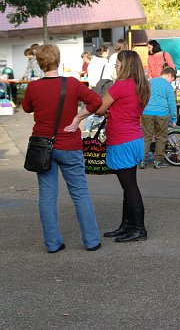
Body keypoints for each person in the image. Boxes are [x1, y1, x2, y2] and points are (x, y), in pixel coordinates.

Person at [22, 44, 102, 253]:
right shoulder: (72, 83)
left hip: (43, 147)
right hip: (69, 145)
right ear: (58, 60)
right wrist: (78, 118)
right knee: (80, 193)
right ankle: (91, 241)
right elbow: (96, 101)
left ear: (40, 63)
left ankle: (52, 243)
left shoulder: (33, 87)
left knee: (47, 196)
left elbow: (26, 108)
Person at [67, 50, 151, 243]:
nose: (116, 67)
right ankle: (127, 225)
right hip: (134, 138)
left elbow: (98, 107)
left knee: (130, 187)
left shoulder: (120, 86)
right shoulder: (142, 85)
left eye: (118, 64)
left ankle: (139, 229)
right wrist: (112, 112)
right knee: (128, 185)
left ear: (125, 65)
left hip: (122, 140)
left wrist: (83, 116)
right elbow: (126, 109)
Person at [140, 66, 177, 169]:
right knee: (161, 137)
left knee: (146, 137)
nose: (171, 82)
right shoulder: (168, 87)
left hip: (146, 112)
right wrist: (174, 119)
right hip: (162, 113)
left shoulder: (149, 82)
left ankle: (142, 161)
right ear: (169, 75)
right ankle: (158, 161)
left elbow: (141, 97)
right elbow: (172, 104)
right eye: (172, 79)